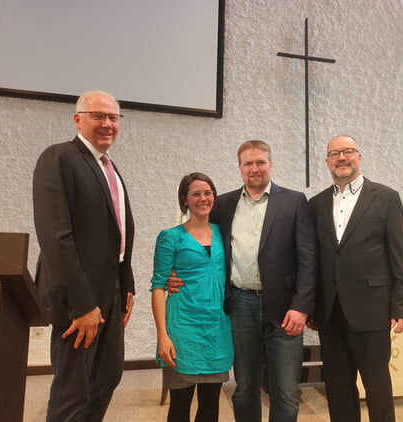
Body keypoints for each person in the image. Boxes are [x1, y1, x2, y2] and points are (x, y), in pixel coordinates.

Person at [169, 140, 317, 422]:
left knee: (285, 391)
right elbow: (198, 241)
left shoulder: (294, 201)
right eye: (248, 163)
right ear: (239, 168)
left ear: (271, 165)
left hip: (286, 309)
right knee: (245, 387)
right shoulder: (223, 204)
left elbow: (308, 259)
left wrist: (302, 306)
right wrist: (176, 274)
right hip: (240, 305)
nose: (255, 168)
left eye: (261, 162)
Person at [32, 90, 135, 422]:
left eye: (113, 118)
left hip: (111, 293)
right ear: (78, 119)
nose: (107, 124)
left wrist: (126, 283)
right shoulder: (59, 158)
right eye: (98, 116)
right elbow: (55, 237)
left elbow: (115, 231)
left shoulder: (108, 166)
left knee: (107, 378)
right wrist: (82, 303)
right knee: (72, 394)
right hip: (79, 298)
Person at [308, 135, 403, 422]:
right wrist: (311, 306)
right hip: (329, 312)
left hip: (372, 308)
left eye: (348, 152)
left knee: (377, 387)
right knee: (338, 388)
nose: (341, 158)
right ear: (327, 161)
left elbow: (399, 256)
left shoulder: (386, 197)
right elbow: (313, 260)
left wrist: (402, 307)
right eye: (334, 153)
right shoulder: (315, 204)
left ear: (359, 157)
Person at [150, 173, 234, 422]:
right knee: (180, 406)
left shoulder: (224, 233)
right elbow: (157, 287)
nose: (203, 198)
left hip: (217, 330)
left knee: (210, 406)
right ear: (185, 200)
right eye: (196, 194)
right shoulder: (170, 237)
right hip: (182, 330)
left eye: (208, 193)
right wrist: (162, 336)